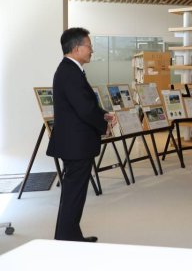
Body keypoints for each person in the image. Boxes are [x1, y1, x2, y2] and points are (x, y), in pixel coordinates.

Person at [47, 27, 116, 242]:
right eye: (89, 46)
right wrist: (104, 126)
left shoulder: (70, 70)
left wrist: (103, 114)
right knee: (73, 195)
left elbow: (84, 104)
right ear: (77, 48)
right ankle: (67, 240)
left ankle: (68, 236)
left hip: (75, 144)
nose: (91, 50)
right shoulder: (70, 72)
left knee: (73, 194)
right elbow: (84, 109)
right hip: (75, 145)